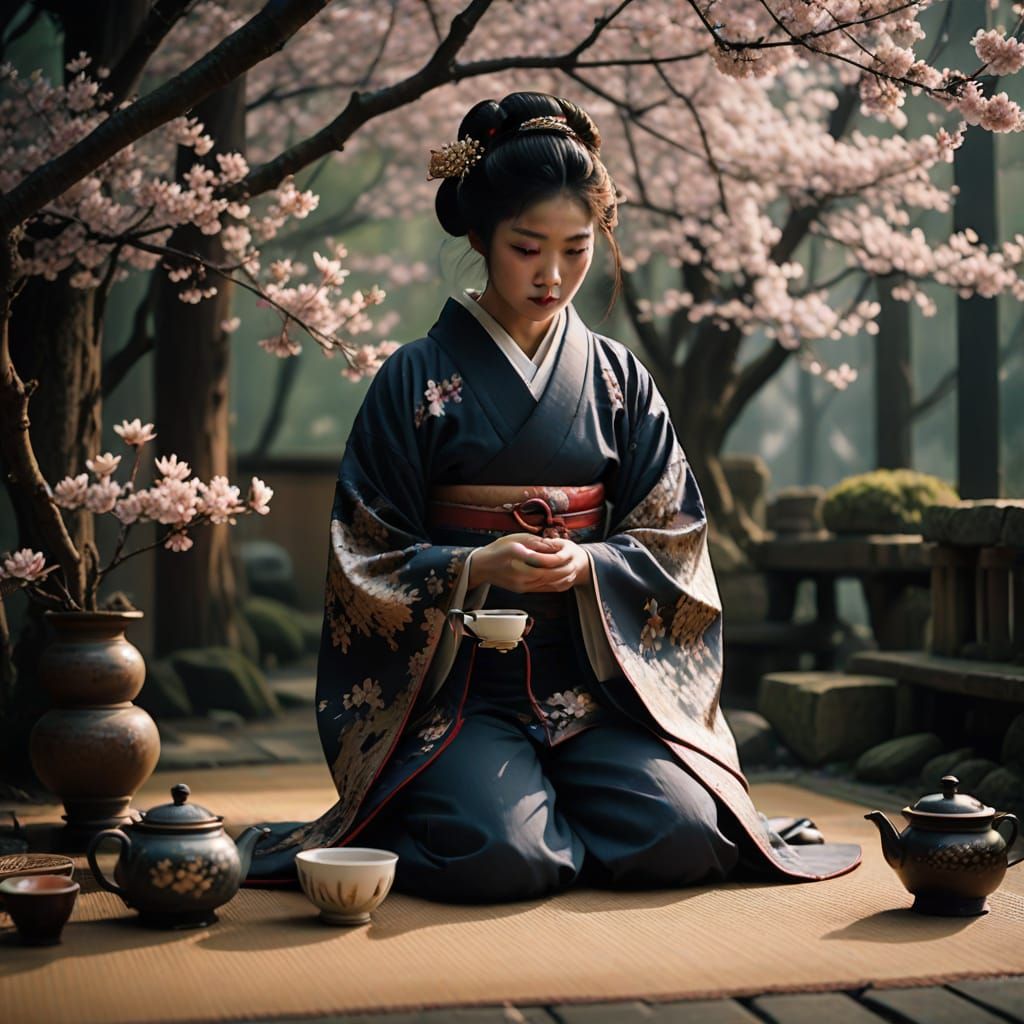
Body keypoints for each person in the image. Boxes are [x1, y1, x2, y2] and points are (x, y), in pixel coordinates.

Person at [248, 92, 860, 899]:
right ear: (480, 238)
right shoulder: (414, 379)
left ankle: (542, 800)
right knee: (506, 858)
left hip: (593, 686)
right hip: (460, 695)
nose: (554, 275)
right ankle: (457, 808)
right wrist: (473, 564)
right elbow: (364, 549)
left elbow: (674, 535)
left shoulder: (618, 379)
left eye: (577, 250)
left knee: (683, 839)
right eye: (527, 248)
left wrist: (591, 565)